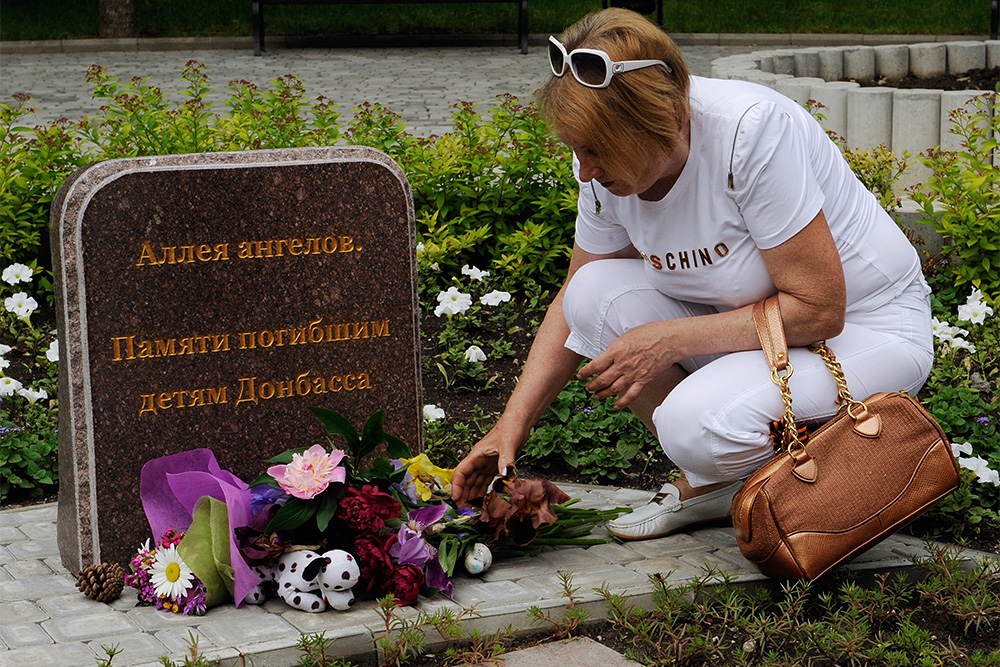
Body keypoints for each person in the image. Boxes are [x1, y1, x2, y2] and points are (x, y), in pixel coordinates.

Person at [450, 8, 934, 541]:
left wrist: (668, 340)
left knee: (692, 426)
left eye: (596, 151)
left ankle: (791, 475)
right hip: (754, 327)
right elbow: (574, 298)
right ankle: (735, 481)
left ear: (657, 122)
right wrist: (508, 429)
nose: (583, 171)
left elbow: (820, 310)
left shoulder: (749, 132)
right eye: (576, 149)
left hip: (864, 331)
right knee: (591, 295)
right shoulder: (601, 170)